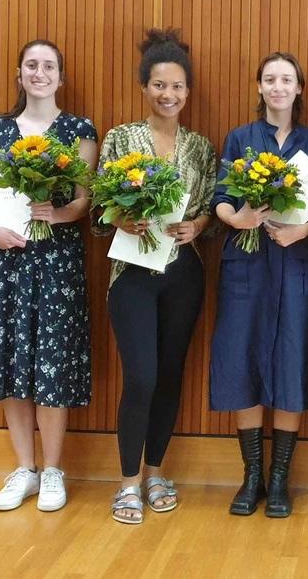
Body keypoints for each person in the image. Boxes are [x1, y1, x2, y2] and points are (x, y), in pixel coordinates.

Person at [0, 39, 97, 513]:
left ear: (61, 77)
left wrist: (57, 215)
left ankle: (53, 469)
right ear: (19, 74)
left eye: (49, 66)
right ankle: (24, 469)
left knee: (51, 363)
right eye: (32, 65)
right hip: (5, 261)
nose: (40, 73)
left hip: (56, 264)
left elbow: (85, 200)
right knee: (11, 363)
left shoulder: (79, 129)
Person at [94, 28, 217, 524]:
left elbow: (211, 205)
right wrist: (120, 217)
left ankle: (158, 471)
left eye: (179, 87)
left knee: (169, 375)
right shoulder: (122, 138)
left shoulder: (202, 147)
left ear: (189, 92)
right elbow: (99, 208)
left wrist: (199, 223)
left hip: (184, 272)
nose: (169, 95)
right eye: (160, 85)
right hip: (132, 273)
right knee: (141, 376)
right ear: (144, 86)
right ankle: (127, 483)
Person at [210, 52, 308, 518]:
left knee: (290, 365)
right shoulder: (241, 138)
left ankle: (279, 480)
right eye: (269, 79)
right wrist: (237, 218)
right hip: (247, 265)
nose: (278, 87)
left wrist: (302, 230)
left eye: (287, 79)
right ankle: (251, 476)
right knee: (243, 361)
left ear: (299, 88)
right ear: (258, 87)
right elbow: (221, 197)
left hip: (295, 262)